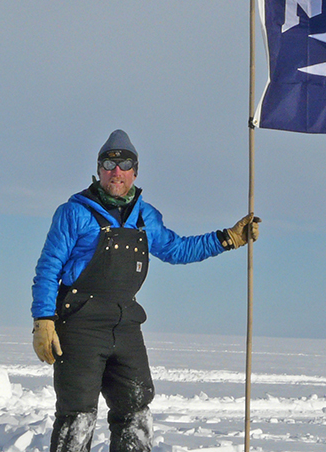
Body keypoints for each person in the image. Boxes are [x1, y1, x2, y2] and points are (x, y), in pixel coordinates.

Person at [31, 129, 259, 452]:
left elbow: (177, 249)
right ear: (99, 169)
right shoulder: (74, 213)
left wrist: (228, 239)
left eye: (125, 165)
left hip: (126, 326)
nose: (117, 172)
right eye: (109, 164)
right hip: (80, 326)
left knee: (135, 411)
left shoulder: (144, 217)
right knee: (77, 416)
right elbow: (48, 268)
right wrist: (43, 319)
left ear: (135, 172)